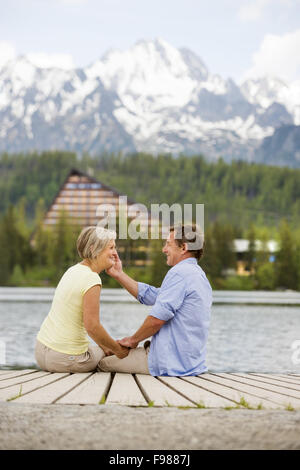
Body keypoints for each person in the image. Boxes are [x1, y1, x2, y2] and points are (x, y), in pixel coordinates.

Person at [99, 223, 212, 376]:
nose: (164, 249)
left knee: (102, 364)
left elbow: (157, 319)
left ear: (183, 248)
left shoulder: (179, 273)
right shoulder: (198, 275)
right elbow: (151, 295)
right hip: (189, 364)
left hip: (168, 363)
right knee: (112, 354)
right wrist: (119, 274)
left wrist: (132, 340)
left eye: (168, 244)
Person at [35, 226, 129, 373]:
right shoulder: (92, 278)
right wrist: (118, 350)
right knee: (105, 355)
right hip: (65, 360)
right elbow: (92, 326)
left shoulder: (72, 270)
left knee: (101, 348)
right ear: (93, 249)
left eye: (115, 248)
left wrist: (106, 346)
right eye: (111, 248)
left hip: (41, 352)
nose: (115, 253)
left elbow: (90, 326)